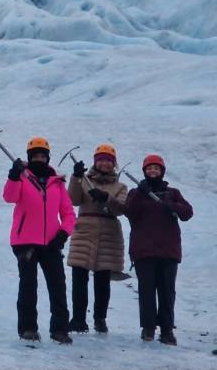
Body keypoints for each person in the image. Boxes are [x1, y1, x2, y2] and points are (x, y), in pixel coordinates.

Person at [3, 137, 76, 344]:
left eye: (43, 155)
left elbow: (69, 213)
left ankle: (60, 329)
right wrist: (14, 176)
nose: (39, 159)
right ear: (29, 157)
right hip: (25, 241)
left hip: (52, 242)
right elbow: (9, 197)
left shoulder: (57, 182)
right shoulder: (21, 177)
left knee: (58, 285)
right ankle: (27, 328)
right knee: (28, 285)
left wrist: (63, 233)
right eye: (35, 155)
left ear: (48, 157)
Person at [125, 154, 193, 345]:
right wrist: (141, 193)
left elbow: (187, 212)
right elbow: (129, 212)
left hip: (168, 251)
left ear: (162, 171)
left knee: (167, 292)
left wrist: (170, 206)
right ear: (144, 172)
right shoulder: (136, 192)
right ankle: (148, 328)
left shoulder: (173, 193)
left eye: (156, 168)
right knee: (146, 291)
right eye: (149, 168)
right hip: (144, 251)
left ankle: (167, 330)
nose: (153, 171)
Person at [66, 144, 128, 334]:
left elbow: (121, 209)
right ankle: (78, 319)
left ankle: (100, 319)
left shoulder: (120, 187)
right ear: (95, 161)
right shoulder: (84, 180)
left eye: (108, 161)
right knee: (79, 277)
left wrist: (106, 197)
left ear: (113, 164)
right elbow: (74, 200)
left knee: (102, 279)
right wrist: (76, 178)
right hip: (84, 230)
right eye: (101, 159)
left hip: (108, 232)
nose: (104, 163)